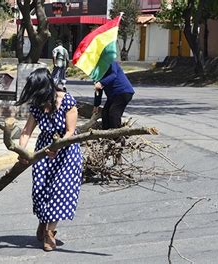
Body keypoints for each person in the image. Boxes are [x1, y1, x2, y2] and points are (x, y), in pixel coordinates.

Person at [15, 68, 82, 252]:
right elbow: (27, 131)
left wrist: (57, 146)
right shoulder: (37, 106)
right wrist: (22, 151)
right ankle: (43, 222)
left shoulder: (67, 101)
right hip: (44, 151)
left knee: (59, 191)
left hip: (66, 151)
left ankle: (50, 233)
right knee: (40, 191)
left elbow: (70, 132)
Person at [92, 61, 135, 129]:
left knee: (113, 114)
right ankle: (106, 135)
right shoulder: (96, 70)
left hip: (123, 92)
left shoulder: (110, 61)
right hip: (112, 95)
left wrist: (101, 83)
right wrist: (96, 105)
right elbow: (98, 89)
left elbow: (113, 75)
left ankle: (117, 137)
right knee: (105, 113)